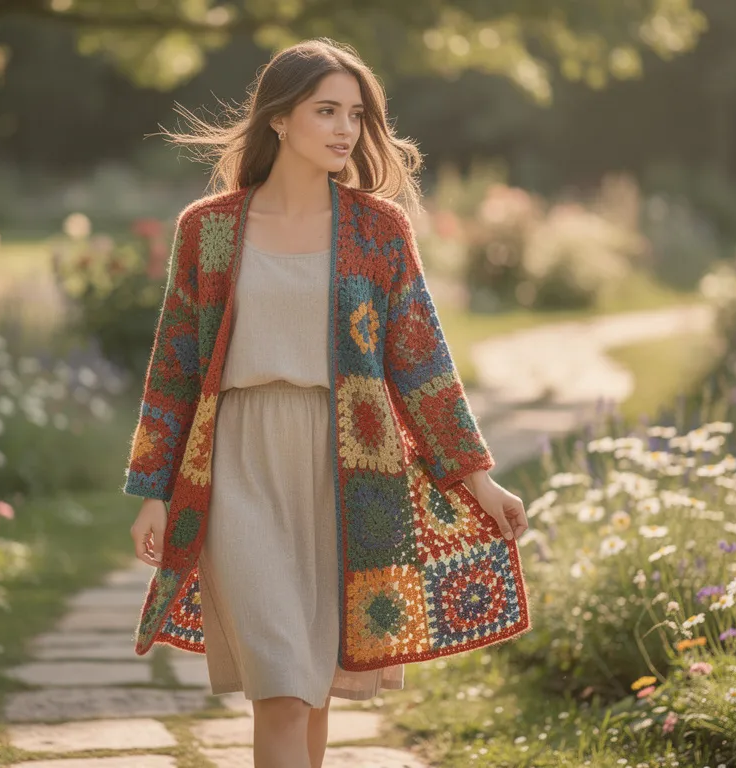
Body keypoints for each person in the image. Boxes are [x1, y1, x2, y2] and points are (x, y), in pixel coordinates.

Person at [124, 38, 531, 768]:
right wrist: (153, 489)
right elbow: (175, 369)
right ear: (279, 119)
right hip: (238, 466)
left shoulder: (379, 230)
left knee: (310, 691)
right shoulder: (208, 229)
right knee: (280, 687)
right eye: (326, 111)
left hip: (351, 471)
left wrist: (478, 477)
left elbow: (420, 364)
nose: (345, 129)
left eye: (355, 115)